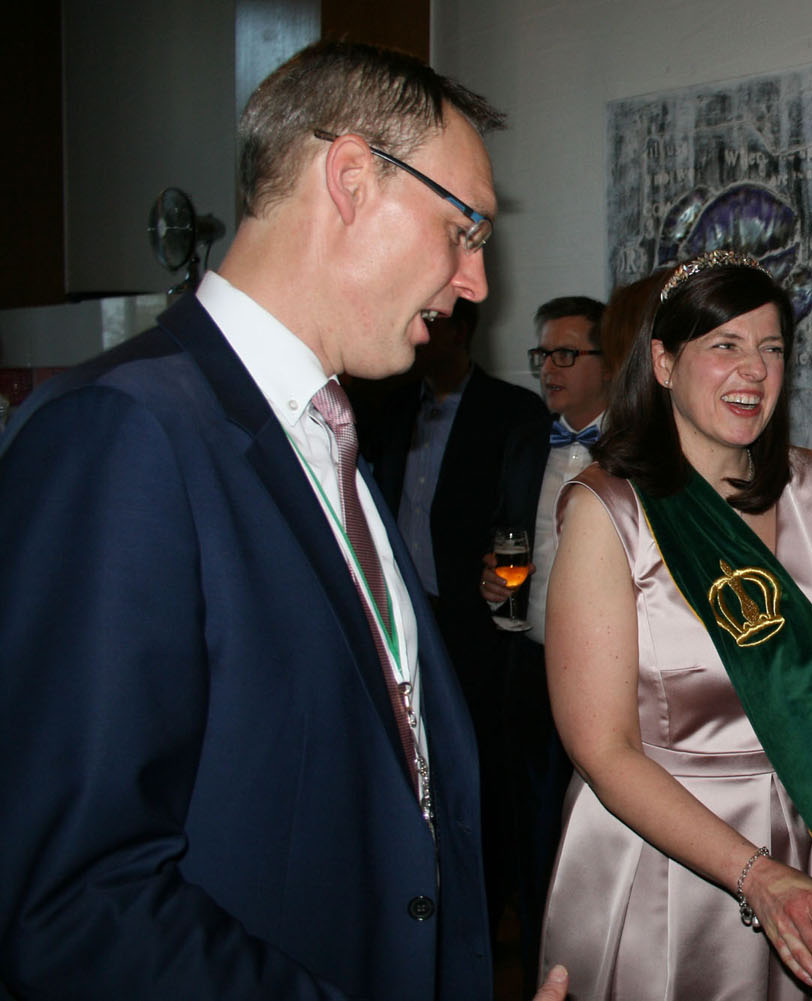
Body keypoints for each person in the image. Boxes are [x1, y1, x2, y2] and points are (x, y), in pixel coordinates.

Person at [0, 40, 502, 997]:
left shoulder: (332, 434)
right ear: (351, 178)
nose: (475, 280)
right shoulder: (121, 432)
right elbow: (76, 904)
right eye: (462, 227)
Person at [537, 251, 812, 999]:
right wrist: (755, 875)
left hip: (810, 841)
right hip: (666, 858)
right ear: (663, 362)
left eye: (771, 348)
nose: (753, 370)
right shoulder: (610, 511)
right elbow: (602, 748)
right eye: (725, 345)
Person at [362, 296, 548, 936]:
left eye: (436, 324)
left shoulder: (510, 411)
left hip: (477, 624)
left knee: (482, 769)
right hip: (401, 619)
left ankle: (489, 907)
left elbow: (521, 515)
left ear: (463, 331)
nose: (421, 335)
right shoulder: (390, 407)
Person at [477, 293, 609, 995]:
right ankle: (538, 973)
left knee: (594, 839)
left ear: (608, 362)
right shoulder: (528, 442)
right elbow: (511, 540)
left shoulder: (639, 450)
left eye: (565, 354)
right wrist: (497, 584)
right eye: (543, 355)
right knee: (530, 838)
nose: (549, 369)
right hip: (527, 668)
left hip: (607, 678)